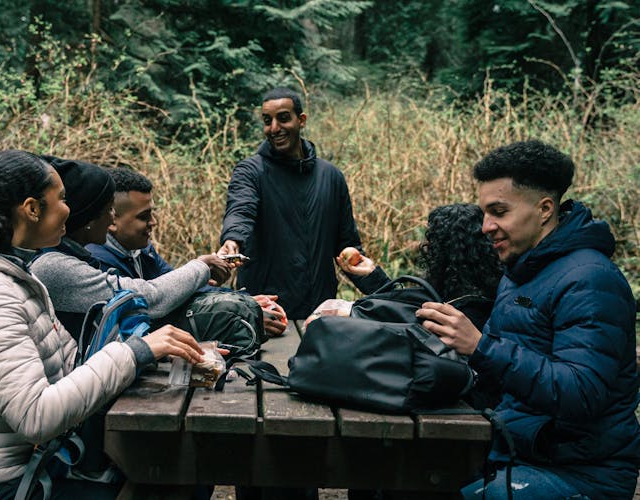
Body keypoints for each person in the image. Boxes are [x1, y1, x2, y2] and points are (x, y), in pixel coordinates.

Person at [0, 150, 210, 498]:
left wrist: (157, 353)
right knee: (170, 481)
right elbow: (36, 416)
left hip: (26, 471)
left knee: (177, 476)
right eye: (62, 199)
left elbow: (72, 367)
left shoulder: (13, 276)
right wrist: (133, 353)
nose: (69, 210)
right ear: (31, 209)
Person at [416, 140, 640, 499]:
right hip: (518, 451)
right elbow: (494, 373)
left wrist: (480, 347)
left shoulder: (590, 279)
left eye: (499, 212)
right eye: (484, 214)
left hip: (582, 474)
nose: (486, 226)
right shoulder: (521, 271)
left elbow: (582, 392)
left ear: (545, 209)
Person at [30, 156, 232, 337]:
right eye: (108, 210)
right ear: (88, 217)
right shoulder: (56, 266)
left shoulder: (137, 250)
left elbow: (172, 286)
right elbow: (149, 298)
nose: (112, 218)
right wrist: (201, 266)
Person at [219, 86, 373, 319]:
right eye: (267, 121)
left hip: (319, 313)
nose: (274, 128)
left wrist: (384, 294)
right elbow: (241, 209)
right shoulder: (250, 171)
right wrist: (232, 239)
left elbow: (347, 245)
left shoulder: (330, 176)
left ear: (301, 120)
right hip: (270, 313)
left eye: (283, 118)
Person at [338, 202, 504, 410]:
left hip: (459, 412)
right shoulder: (493, 292)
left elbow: (407, 318)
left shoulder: (464, 309)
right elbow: (409, 308)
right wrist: (374, 277)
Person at [86, 167, 287, 336]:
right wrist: (237, 314)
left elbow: (180, 289)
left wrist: (245, 302)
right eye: (144, 216)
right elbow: (152, 311)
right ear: (112, 219)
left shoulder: (142, 250)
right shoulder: (98, 266)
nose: (153, 222)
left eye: (152, 213)